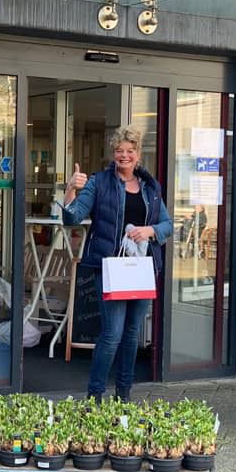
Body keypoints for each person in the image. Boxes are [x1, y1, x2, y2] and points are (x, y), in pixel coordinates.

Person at [62, 125, 173, 404]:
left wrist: (149, 231)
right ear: (113, 154)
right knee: (112, 333)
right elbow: (72, 218)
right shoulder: (99, 182)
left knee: (132, 334)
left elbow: (167, 225)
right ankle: (95, 395)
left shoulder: (151, 186)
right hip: (110, 268)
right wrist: (70, 190)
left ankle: (124, 394)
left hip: (142, 269)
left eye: (130, 151)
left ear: (138, 155)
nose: (124, 156)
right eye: (119, 151)